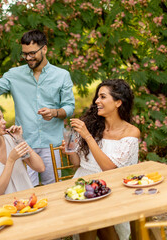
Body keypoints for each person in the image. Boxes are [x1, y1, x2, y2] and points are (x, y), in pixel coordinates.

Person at [0, 29, 75, 186]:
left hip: (52, 144)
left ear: (44, 49)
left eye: (32, 53)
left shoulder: (62, 75)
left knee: (54, 188)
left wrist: (54, 112)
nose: (28, 58)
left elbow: (69, 107)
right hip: (24, 144)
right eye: (25, 54)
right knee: (28, 189)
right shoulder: (14, 74)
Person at [62, 79, 140, 240]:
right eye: (97, 97)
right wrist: (70, 152)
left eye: (103, 97)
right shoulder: (92, 125)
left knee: (96, 220)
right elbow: (77, 164)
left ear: (118, 102)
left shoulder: (131, 132)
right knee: (90, 219)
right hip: (82, 185)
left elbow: (109, 168)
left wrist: (87, 137)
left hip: (112, 187)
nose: (97, 101)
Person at [0, 105, 45, 196]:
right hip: (4, 207)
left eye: (3, 118)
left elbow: (40, 167)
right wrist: (11, 160)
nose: (4, 122)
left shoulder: (12, 139)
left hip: (28, 200)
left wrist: (20, 139)